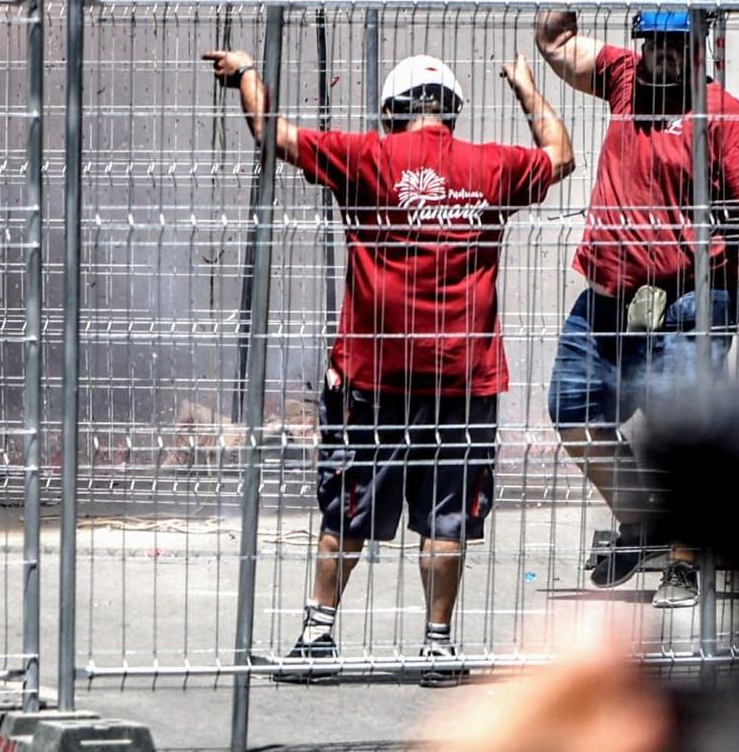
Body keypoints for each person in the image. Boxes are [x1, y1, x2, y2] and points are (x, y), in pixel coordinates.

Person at [203, 45, 574, 685]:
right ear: (452, 111)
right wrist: (525, 86)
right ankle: (437, 646)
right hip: (463, 379)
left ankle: (318, 640)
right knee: (447, 514)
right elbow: (561, 154)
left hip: (374, 378)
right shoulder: (490, 167)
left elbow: (271, 133)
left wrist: (245, 72)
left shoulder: (366, 157)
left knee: (346, 509)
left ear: (391, 111)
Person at [533, 0, 739, 608]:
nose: (661, 55)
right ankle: (645, 521)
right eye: (653, 41)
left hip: (689, 296)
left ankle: (683, 557)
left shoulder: (721, 114)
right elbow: (554, 42)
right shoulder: (621, 79)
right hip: (612, 293)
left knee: (685, 427)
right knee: (573, 407)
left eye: (675, 43)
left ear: (697, 46)